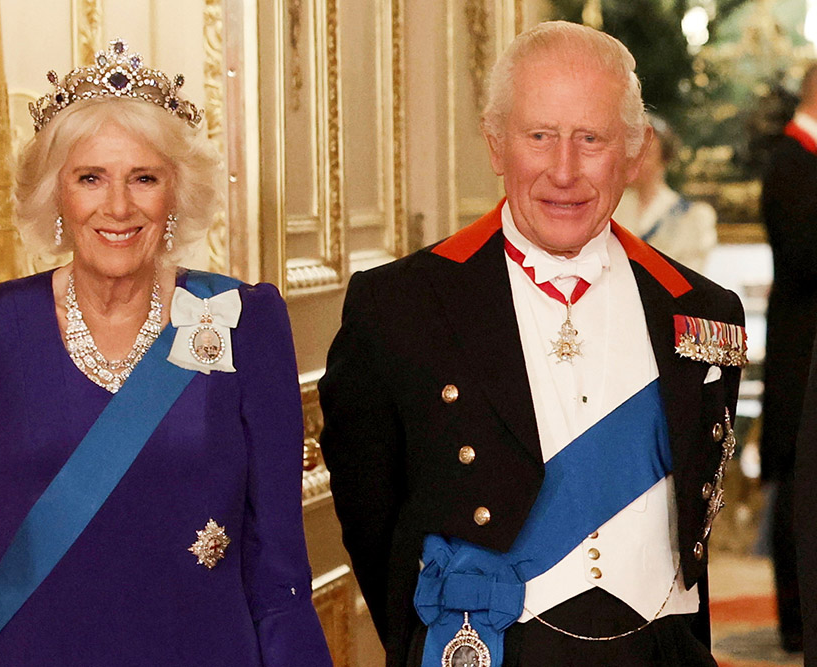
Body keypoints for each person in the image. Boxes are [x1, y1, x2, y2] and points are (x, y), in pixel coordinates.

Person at [0, 39, 332, 666]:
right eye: (90, 178)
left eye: (143, 178)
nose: (117, 207)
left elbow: (278, 567)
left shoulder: (243, 322)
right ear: (57, 195)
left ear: (174, 194)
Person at [319, 21, 745, 667]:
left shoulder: (704, 310)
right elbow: (373, 516)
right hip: (487, 646)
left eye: (591, 139)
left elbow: (697, 513)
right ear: (496, 144)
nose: (564, 170)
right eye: (539, 136)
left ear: (632, 153)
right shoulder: (401, 306)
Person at [777, 63, 817, 657]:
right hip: (803, 345)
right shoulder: (789, 158)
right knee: (801, 487)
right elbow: (805, 253)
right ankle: (797, 619)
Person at [613, 113, 718, 273]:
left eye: (646, 155)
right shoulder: (612, 209)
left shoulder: (692, 216)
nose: (636, 162)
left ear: (664, 158)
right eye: (632, 154)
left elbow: (692, 275)